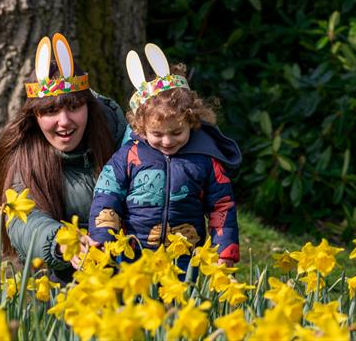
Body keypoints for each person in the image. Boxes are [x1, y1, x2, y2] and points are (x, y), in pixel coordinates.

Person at [88, 44, 242, 273]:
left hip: (184, 256)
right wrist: (102, 236)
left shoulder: (205, 160)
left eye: (177, 132)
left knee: (179, 306)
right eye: (157, 134)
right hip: (134, 254)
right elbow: (107, 194)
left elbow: (222, 205)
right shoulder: (128, 156)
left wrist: (224, 250)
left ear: (192, 121)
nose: (167, 141)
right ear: (140, 127)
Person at [0, 33, 126, 283]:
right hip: (68, 284)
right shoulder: (26, 156)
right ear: (35, 116)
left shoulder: (122, 139)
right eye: (50, 110)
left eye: (74, 107)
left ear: (88, 106)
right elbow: (24, 220)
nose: (64, 122)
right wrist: (61, 241)